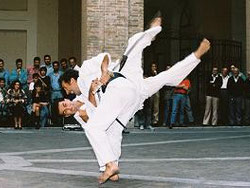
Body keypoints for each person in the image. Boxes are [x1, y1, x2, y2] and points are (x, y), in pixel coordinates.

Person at [59, 19, 210, 184]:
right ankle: (110, 167)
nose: (68, 97)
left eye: (65, 97)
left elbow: (104, 57)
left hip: (122, 80)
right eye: (65, 111)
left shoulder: (85, 71)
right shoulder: (81, 104)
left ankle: (184, 50)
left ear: (71, 80)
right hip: (128, 99)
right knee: (110, 131)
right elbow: (101, 117)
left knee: (142, 57)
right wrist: (89, 97)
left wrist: (103, 72)